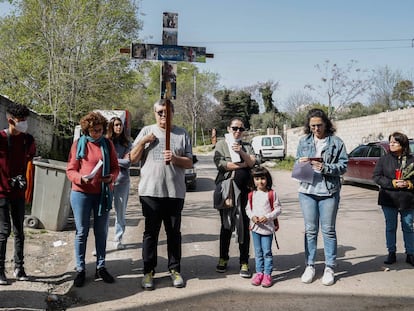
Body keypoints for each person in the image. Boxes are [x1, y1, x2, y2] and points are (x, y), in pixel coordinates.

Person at [130, 99, 193, 290]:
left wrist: (175, 159)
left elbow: (190, 162)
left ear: (173, 113)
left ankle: (174, 269)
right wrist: (143, 142)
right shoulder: (147, 131)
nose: (164, 116)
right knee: (151, 233)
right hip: (151, 192)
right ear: (154, 114)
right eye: (160, 113)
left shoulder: (182, 133)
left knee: (173, 233)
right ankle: (148, 272)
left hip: (174, 193)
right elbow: (132, 158)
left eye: (167, 112)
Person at [66, 111, 119, 287]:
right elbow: (70, 170)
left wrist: (111, 177)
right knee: (82, 232)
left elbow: (116, 168)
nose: (97, 133)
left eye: (100, 130)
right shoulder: (78, 144)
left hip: (102, 193)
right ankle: (80, 269)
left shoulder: (108, 144)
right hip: (81, 193)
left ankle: (101, 267)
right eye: (94, 130)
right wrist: (81, 178)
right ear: (87, 129)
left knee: (101, 231)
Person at [295, 108, 348, 286]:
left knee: (328, 231)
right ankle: (309, 266)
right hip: (307, 191)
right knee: (310, 230)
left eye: (319, 125)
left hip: (328, 191)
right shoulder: (304, 142)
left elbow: (343, 166)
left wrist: (325, 167)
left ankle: (329, 268)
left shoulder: (336, 142)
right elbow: (297, 163)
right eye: (312, 126)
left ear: (326, 124)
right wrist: (301, 163)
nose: (316, 129)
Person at [213, 117, 256, 278]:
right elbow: (222, 165)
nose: (238, 131)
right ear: (229, 128)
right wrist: (245, 164)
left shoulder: (246, 145)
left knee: (244, 226)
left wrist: (241, 152)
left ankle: (244, 261)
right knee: (226, 225)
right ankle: (223, 258)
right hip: (227, 191)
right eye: (235, 128)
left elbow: (255, 161)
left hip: (246, 192)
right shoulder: (222, 144)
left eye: (241, 129)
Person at [0, 103, 36, 285]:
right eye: (20, 121)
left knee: (19, 231)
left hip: (19, 191)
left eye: (25, 120)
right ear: (10, 121)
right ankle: (0, 271)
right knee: (3, 231)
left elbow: (29, 162)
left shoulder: (28, 140)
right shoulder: (0, 138)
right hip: (1, 192)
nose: (24, 124)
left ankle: (19, 267)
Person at [372, 132, 414, 266]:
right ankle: (391, 252)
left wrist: (409, 184)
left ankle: (410, 254)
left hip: (407, 199)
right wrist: (393, 183)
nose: (391, 144)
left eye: (395, 142)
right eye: (390, 142)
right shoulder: (384, 159)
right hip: (389, 199)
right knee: (390, 227)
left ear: (403, 144)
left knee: (408, 227)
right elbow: (377, 177)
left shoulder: (411, 160)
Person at [246, 166, 281, 288]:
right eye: (257, 179)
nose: (260, 181)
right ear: (253, 180)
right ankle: (259, 273)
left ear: (267, 179)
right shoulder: (252, 194)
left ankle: (267, 274)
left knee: (266, 252)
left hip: (267, 230)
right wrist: (253, 217)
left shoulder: (271, 194)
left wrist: (268, 217)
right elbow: (248, 209)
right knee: (258, 252)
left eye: (262, 178)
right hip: (255, 229)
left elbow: (278, 209)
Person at [107, 117, 132, 250]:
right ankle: (102, 242)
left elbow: (128, 163)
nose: (119, 127)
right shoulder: (106, 142)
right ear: (111, 126)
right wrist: (118, 160)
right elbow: (101, 160)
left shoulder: (126, 143)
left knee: (120, 212)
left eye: (120, 125)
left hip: (122, 181)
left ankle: (118, 238)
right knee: (104, 213)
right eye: (116, 125)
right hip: (107, 181)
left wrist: (112, 160)